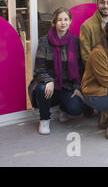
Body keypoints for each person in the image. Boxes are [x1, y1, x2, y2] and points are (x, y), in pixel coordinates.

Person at [28, 7, 85, 135]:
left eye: (66, 19)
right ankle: (44, 119)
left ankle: (63, 108)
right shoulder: (44, 41)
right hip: (48, 84)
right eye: (59, 20)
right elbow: (39, 68)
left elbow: (79, 68)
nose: (63, 23)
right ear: (54, 22)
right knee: (42, 89)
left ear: (70, 21)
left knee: (76, 109)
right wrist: (49, 80)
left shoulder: (75, 41)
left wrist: (77, 87)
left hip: (66, 85)